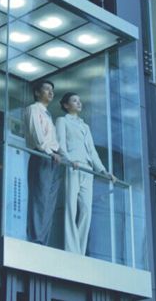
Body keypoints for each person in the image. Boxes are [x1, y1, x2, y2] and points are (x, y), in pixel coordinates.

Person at [56, 92, 116, 255]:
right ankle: (71, 248)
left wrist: (103, 170)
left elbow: (92, 151)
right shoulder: (62, 121)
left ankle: (79, 250)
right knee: (71, 207)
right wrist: (68, 161)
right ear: (66, 105)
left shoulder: (85, 126)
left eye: (80, 100)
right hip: (73, 166)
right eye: (75, 100)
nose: (79, 103)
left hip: (87, 169)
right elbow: (60, 145)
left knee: (86, 210)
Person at [24, 79, 62, 245]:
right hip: (42, 156)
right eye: (46, 89)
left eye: (52, 90)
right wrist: (49, 152)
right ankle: (35, 238)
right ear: (37, 93)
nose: (50, 92)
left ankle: (43, 240)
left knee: (49, 201)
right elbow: (37, 136)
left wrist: (56, 153)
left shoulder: (48, 114)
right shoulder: (33, 109)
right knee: (39, 198)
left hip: (53, 158)